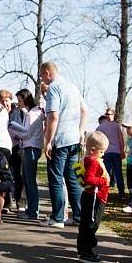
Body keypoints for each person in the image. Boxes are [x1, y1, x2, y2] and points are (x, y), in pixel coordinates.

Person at [39, 61, 89, 228]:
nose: (42, 80)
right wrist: (81, 132)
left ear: (47, 72)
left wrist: (48, 142)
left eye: (41, 76)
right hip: (74, 139)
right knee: (73, 179)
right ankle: (79, 216)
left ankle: (58, 217)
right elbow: (85, 110)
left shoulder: (54, 88)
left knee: (56, 179)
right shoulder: (72, 87)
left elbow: (53, 117)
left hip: (60, 140)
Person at [8, 88, 45, 220]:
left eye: (19, 100)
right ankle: (31, 209)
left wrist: (14, 131)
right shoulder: (32, 112)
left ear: (25, 99)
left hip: (31, 147)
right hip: (30, 147)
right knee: (27, 179)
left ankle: (33, 210)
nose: (18, 103)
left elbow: (27, 133)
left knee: (29, 180)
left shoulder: (32, 114)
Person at [77, 131, 110, 263]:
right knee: (91, 224)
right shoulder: (93, 162)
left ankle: (83, 249)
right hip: (94, 197)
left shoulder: (88, 160)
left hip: (92, 196)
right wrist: (104, 181)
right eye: (101, 152)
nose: (103, 155)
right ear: (93, 150)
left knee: (86, 223)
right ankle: (87, 251)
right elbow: (89, 179)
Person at [96, 108, 126, 198]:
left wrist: (122, 150)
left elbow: (96, 140)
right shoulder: (115, 126)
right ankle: (116, 193)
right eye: (108, 114)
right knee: (113, 173)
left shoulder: (102, 127)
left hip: (110, 152)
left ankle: (117, 192)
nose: (109, 116)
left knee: (110, 173)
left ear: (113, 115)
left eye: (110, 114)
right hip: (109, 152)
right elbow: (121, 138)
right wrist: (122, 150)